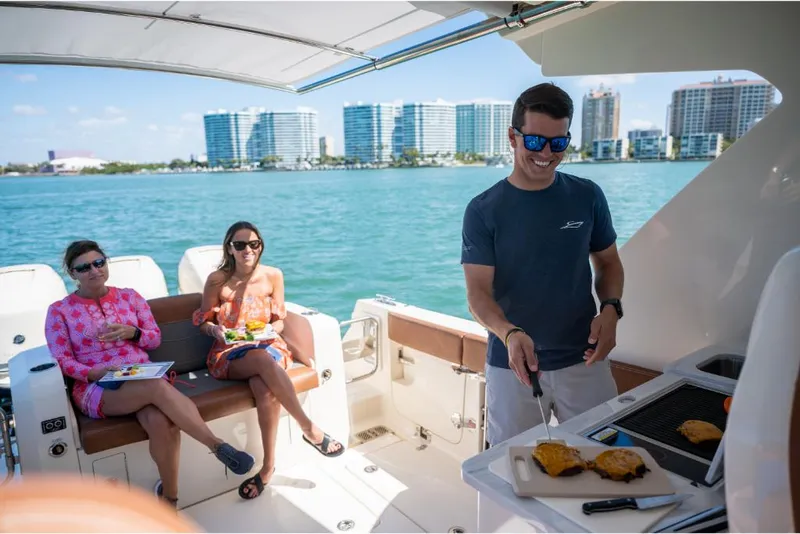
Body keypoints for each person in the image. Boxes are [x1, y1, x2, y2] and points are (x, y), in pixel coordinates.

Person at [461, 83, 625, 447]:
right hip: (512, 368)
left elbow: (609, 263)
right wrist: (509, 333)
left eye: (558, 143)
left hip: (584, 360)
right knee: (509, 473)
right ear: (512, 137)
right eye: (534, 141)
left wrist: (612, 308)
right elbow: (477, 294)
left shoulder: (587, 195)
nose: (546, 153)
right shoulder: (483, 210)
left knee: (604, 456)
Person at [44, 240, 255, 507]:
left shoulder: (129, 296)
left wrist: (134, 333)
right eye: (84, 267)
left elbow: (154, 340)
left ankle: (169, 499)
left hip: (141, 375)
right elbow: (61, 359)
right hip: (97, 386)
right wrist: (93, 372)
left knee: (161, 424)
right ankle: (217, 445)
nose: (94, 270)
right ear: (72, 273)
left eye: (99, 263)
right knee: (155, 387)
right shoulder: (59, 311)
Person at [193, 221, 344, 501]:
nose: (247, 250)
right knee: (262, 360)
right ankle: (309, 428)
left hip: (268, 344)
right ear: (230, 248)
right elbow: (204, 322)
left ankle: (267, 468)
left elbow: (279, 321)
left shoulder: (273, 275)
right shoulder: (217, 280)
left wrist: (272, 330)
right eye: (240, 245)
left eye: (253, 244)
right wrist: (215, 329)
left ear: (260, 245)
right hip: (229, 351)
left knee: (264, 389)